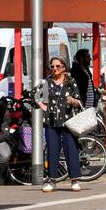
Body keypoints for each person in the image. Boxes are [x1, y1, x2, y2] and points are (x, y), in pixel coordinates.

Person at [38, 57, 83, 193]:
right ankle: (52, 180)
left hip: (68, 119)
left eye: (57, 66)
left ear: (64, 67)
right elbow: (36, 97)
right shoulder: (47, 82)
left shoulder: (70, 81)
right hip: (51, 119)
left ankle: (74, 179)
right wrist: (45, 108)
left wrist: (72, 100)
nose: (54, 69)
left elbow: (79, 100)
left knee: (71, 149)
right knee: (52, 150)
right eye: (52, 66)